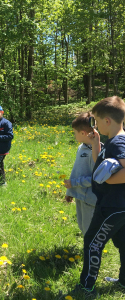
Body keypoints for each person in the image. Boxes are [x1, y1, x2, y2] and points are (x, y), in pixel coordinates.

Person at [69, 96, 125, 299]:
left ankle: (86, 287)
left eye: (96, 121)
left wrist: (108, 181)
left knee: (92, 242)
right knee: (123, 242)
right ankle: (124, 282)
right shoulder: (111, 141)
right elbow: (99, 166)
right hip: (116, 206)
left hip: (112, 206)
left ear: (107, 121)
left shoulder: (119, 142)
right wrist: (96, 145)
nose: (95, 125)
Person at [64, 112, 98, 235]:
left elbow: (96, 178)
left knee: (90, 230)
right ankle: (88, 248)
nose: (74, 135)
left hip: (91, 199)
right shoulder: (81, 148)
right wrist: (70, 191)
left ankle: (92, 252)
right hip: (79, 195)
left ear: (83, 133)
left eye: (75, 133)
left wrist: (73, 183)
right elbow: (76, 171)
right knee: (82, 226)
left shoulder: (96, 151)